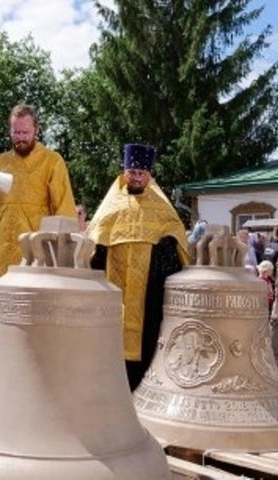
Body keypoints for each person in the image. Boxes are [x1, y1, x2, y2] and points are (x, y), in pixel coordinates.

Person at [87, 144, 189, 391]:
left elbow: (175, 239)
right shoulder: (112, 205)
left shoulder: (161, 207)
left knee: (148, 340)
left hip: (148, 292)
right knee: (111, 338)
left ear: (149, 174)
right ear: (125, 171)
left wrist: (164, 252)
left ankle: (145, 391)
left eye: (141, 173)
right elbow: (94, 241)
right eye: (132, 172)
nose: (136, 177)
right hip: (114, 285)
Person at [0, 103, 76, 283]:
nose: (20, 138)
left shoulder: (52, 161)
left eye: (25, 133)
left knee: (32, 297)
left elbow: (63, 205)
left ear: (36, 130)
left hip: (37, 245)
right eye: (16, 133)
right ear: (10, 131)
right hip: (2, 243)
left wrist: (61, 250)